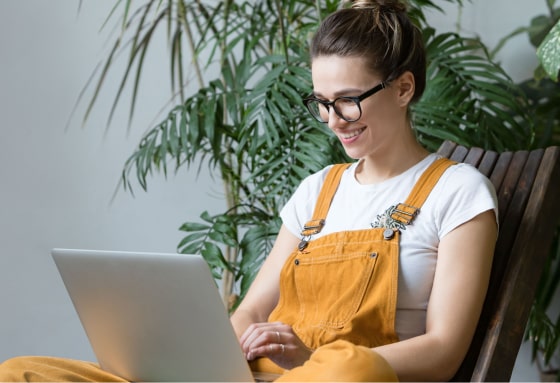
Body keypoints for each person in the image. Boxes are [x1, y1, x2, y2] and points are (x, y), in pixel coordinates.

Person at [0, 0, 498, 381]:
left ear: (404, 88)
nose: (331, 122)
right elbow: (252, 311)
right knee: (21, 371)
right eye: (320, 103)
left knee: (349, 370)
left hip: (342, 379)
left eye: (347, 101)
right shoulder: (316, 192)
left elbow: (444, 350)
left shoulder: (457, 193)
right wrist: (217, 356)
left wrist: (314, 362)